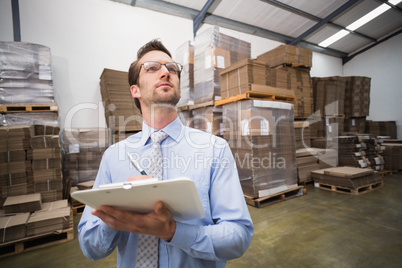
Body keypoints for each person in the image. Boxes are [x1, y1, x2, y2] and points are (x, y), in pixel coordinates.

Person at [78, 39, 254, 268]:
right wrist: (117, 210)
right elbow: (90, 247)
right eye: (152, 67)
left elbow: (238, 237)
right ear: (135, 90)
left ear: (179, 87)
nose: (165, 72)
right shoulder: (113, 157)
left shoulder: (214, 149)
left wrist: (173, 231)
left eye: (172, 68)